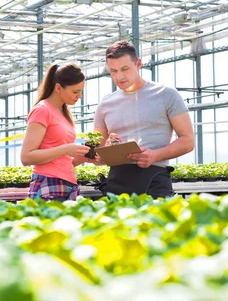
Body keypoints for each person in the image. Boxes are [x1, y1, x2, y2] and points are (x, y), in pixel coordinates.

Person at [93, 40, 194, 198]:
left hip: (154, 180)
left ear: (138, 64)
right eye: (113, 71)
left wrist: (155, 155)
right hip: (116, 182)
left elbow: (188, 141)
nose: (119, 76)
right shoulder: (105, 104)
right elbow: (97, 158)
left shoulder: (166, 94)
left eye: (125, 69)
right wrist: (107, 149)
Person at [21, 63, 96, 201]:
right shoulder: (42, 110)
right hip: (48, 184)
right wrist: (65, 149)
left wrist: (81, 158)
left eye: (81, 91)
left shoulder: (62, 112)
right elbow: (26, 157)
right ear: (58, 88)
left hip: (66, 184)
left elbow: (59, 160)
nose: (79, 96)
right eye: (75, 91)